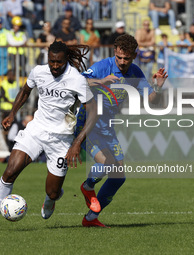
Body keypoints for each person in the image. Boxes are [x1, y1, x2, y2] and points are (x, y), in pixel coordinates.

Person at [0, 40, 97, 232]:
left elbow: (94, 112)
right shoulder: (39, 71)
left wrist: (77, 143)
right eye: (52, 61)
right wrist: (13, 113)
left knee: (52, 191)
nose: (55, 66)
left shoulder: (76, 79)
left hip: (62, 139)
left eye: (59, 63)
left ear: (66, 61)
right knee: (10, 171)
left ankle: (51, 199)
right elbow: (25, 91)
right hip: (36, 130)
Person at [75, 34, 168, 227]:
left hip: (107, 128)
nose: (122, 62)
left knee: (118, 177)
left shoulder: (135, 72)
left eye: (126, 58)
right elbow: (77, 84)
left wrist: (158, 87)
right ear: (114, 54)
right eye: (119, 58)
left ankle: (90, 219)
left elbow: (151, 101)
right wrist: (102, 81)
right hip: (88, 125)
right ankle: (87, 186)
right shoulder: (102, 66)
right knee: (108, 164)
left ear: (134, 56)